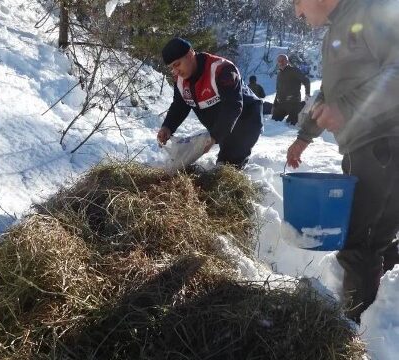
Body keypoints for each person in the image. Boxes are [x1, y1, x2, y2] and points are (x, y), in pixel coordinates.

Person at [287, 0, 399, 323]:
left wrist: (348, 110)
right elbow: (329, 94)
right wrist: (304, 136)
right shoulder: (334, 31)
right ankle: (383, 324)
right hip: (362, 151)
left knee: (359, 244)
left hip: (385, 146)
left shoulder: (372, 11)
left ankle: (353, 338)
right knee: (377, 241)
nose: (296, 13)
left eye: (296, 2)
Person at [157, 38, 263, 169]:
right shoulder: (180, 79)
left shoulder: (222, 69)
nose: (175, 71)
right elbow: (180, 105)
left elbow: (233, 106)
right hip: (223, 124)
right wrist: (167, 126)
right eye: (172, 67)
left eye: (177, 64)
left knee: (227, 167)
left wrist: (215, 135)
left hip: (246, 118)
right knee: (223, 161)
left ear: (190, 54)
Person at [272, 54, 310, 125]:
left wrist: (307, 94)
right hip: (281, 104)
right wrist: (274, 105)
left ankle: (302, 106)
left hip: (293, 104)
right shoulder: (279, 74)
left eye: (283, 60)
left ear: (287, 61)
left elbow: (306, 81)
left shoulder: (294, 71)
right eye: (279, 61)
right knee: (273, 123)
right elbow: (278, 91)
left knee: (291, 125)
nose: (281, 63)